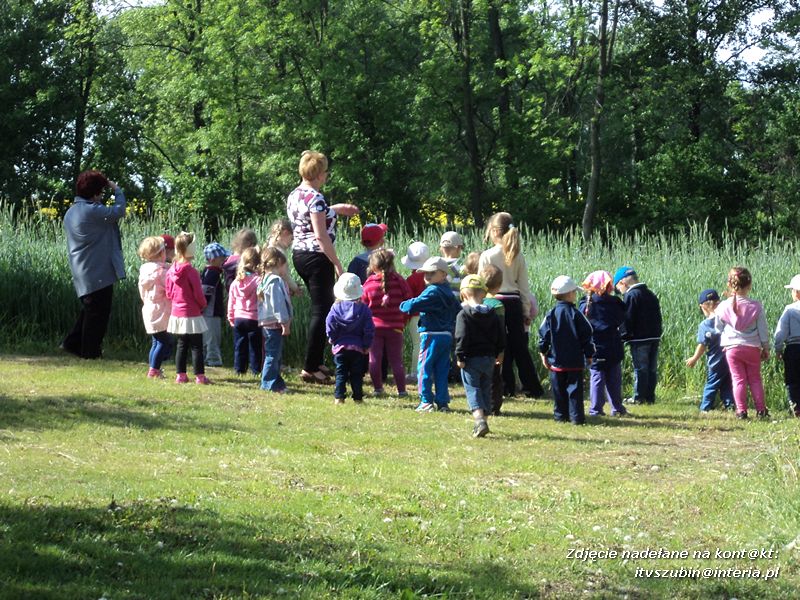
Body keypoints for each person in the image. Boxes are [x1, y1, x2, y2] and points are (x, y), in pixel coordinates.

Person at [287, 150, 359, 384]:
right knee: (322, 311)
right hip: (317, 257)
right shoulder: (316, 198)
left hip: (299, 255)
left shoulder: (295, 195)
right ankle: (310, 367)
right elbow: (320, 236)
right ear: (319, 174)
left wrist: (336, 209)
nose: (327, 175)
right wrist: (337, 263)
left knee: (322, 308)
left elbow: (309, 218)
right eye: (325, 171)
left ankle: (317, 360)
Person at [478, 212, 544, 398]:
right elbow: (524, 288)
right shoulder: (517, 255)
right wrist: (526, 311)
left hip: (494, 302)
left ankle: (506, 386)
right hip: (514, 303)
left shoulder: (487, 255)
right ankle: (532, 387)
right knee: (520, 347)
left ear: (494, 231)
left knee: (499, 346)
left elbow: (482, 284)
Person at [62, 170, 125, 359]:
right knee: (98, 313)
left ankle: (72, 343)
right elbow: (118, 211)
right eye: (101, 191)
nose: (102, 196)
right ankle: (90, 352)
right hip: (97, 270)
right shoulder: (92, 210)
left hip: (82, 269)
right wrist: (117, 190)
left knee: (90, 310)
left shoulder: (71, 211)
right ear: (95, 192)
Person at [399, 257, 462, 412]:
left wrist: (402, 304)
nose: (427, 276)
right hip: (446, 335)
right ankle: (442, 402)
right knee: (441, 370)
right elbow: (458, 310)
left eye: (432, 273)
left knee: (424, 369)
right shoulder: (448, 292)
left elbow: (413, 305)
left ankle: (426, 401)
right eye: (425, 273)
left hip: (431, 335)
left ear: (443, 274)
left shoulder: (432, 291)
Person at [714, 266, 770, 419]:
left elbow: (718, 328)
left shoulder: (723, 306)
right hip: (752, 348)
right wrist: (766, 348)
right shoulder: (756, 306)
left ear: (729, 284)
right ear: (749, 285)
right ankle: (761, 410)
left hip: (732, 348)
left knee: (738, 379)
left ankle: (741, 411)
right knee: (755, 379)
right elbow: (763, 330)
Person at [538, 276, 595, 425]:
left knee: (558, 391)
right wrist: (589, 354)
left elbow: (543, 335)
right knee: (575, 391)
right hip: (574, 362)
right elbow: (587, 335)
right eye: (574, 292)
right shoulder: (577, 314)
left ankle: (560, 416)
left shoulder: (550, 314)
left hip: (556, 361)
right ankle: (576, 418)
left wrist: (543, 352)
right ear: (570, 294)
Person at [455, 275, 505, 438]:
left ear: (463, 294)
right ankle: (484, 420)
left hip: (471, 359)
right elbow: (500, 334)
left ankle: (479, 420)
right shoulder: (493, 314)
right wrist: (500, 352)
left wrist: (460, 356)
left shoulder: (463, 314)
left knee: (473, 388)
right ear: (484, 293)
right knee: (485, 387)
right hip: (489, 358)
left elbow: (461, 336)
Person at [362, 249, 412, 397]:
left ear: (373, 266)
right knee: (396, 360)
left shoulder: (369, 284)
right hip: (395, 327)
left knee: (374, 359)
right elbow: (408, 303)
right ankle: (402, 390)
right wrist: (403, 321)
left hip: (374, 328)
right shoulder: (400, 281)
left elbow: (363, 307)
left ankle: (378, 389)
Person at [579, 270, 627, 417]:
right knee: (614, 378)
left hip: (595, 346)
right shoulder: (616, 303)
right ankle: (617, 408)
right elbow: (622, 319)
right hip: (613, 345)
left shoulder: (585, 304)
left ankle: (596, 409)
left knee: (597, 378)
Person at [165, 232, 209, 384]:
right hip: (192, 313)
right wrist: (203, 304)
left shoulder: (171, 270)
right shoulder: (191, 271)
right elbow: (198, 293)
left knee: (181, 345)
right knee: (197, 346)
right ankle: (200, 376)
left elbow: (169, 293)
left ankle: (181, 375)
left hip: (177, 313)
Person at [614, 266, 662, 404]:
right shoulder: (650, 294)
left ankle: (638, 397)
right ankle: (649, 397)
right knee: (651, 369)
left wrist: (623, 335)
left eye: (618, 289)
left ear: (622, 283)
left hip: (639, 338)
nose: (620, 293)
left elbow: (627, 318)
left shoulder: (631, 295)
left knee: (640, 369)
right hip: (654, 336)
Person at [326, 273, 375, 404]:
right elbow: (369, 329)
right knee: (357, 374)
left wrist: (333, 338)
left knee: (340, 373)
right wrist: (366, 345)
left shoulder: (335, 308)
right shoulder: (364, 310)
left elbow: (330, 324)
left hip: (340, 347)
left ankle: (339, 397)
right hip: (358, 348)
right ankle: (358, 398)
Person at [685, 289, 734, 412]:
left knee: (712, 384)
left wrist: (694, 358)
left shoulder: (705, 325)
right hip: (729, 358)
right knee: (727, 384)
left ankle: (705, 407)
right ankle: (730, 406)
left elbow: (702, 345)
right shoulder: (726, 320)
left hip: (715, 361)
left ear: (703, 307)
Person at [257, 247, 293, 393]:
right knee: (273, 355)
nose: (286, 269)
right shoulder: (275, 281)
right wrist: (284, 322)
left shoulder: (265, 279)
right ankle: (268, 383)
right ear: (278, 263)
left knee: (274, 354)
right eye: (285, 266)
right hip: (274, 324)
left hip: (266, 323)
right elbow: (278, 304)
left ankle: (276, 382)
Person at [137, 236, 172, 378]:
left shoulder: (145, 270)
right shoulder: (161, 272)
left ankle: (153, 367)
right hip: (160, 309)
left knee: (156, 341)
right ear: (161, 253)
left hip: (148, 308)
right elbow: (169, 288)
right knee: (164, 342)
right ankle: (154, 370)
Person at [227, 247, 262, 375]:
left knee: (239, 345)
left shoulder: (236, 282)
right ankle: (256, 370)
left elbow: (231, 302)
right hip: (254, 318)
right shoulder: (259, 281)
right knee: (255, 347)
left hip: (239, 318)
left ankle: (239, 369)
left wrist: (231, 317)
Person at [401, 241, 430, 384]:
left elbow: (408, 301)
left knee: (417, 344)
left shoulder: (411, 279)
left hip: (415, 316)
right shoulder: (432, 276)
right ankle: (428, 370)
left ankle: (415, 372)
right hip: (430, 315)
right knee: (428, 344)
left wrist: (403, 319)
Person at [480, 264, 506, 415]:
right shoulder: (498, 305)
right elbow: (501, 329)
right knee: (495, 378)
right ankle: (494, 406)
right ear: (500, 284)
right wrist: (501, 351)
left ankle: (480, 404)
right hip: (493, 347)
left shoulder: (477, 302)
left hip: (477, 346)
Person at [201, 242, 231, 367]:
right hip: (210, 312)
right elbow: (206, 292)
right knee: (212, 337)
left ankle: (206, 359)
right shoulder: (212, 273)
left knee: (207, 337)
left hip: (208, 312)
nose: (224, 260)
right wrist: (203, 306)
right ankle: (213, 360)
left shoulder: (209, 272)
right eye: (222, 258)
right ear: (213, 260)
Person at [775, 274, 800, 417]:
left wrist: (778, 349)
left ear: (796, 293)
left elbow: (781, 332)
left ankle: (796, 407)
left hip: (794, 348)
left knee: (792, 379)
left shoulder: (790, 310)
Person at [267, 218, 303, 297]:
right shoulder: (280, 253)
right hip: (278, 291)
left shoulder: (267, 248)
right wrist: (295, 288)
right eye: (291, 238)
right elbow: (284, 275)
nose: (291, 242)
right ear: (285, 233)